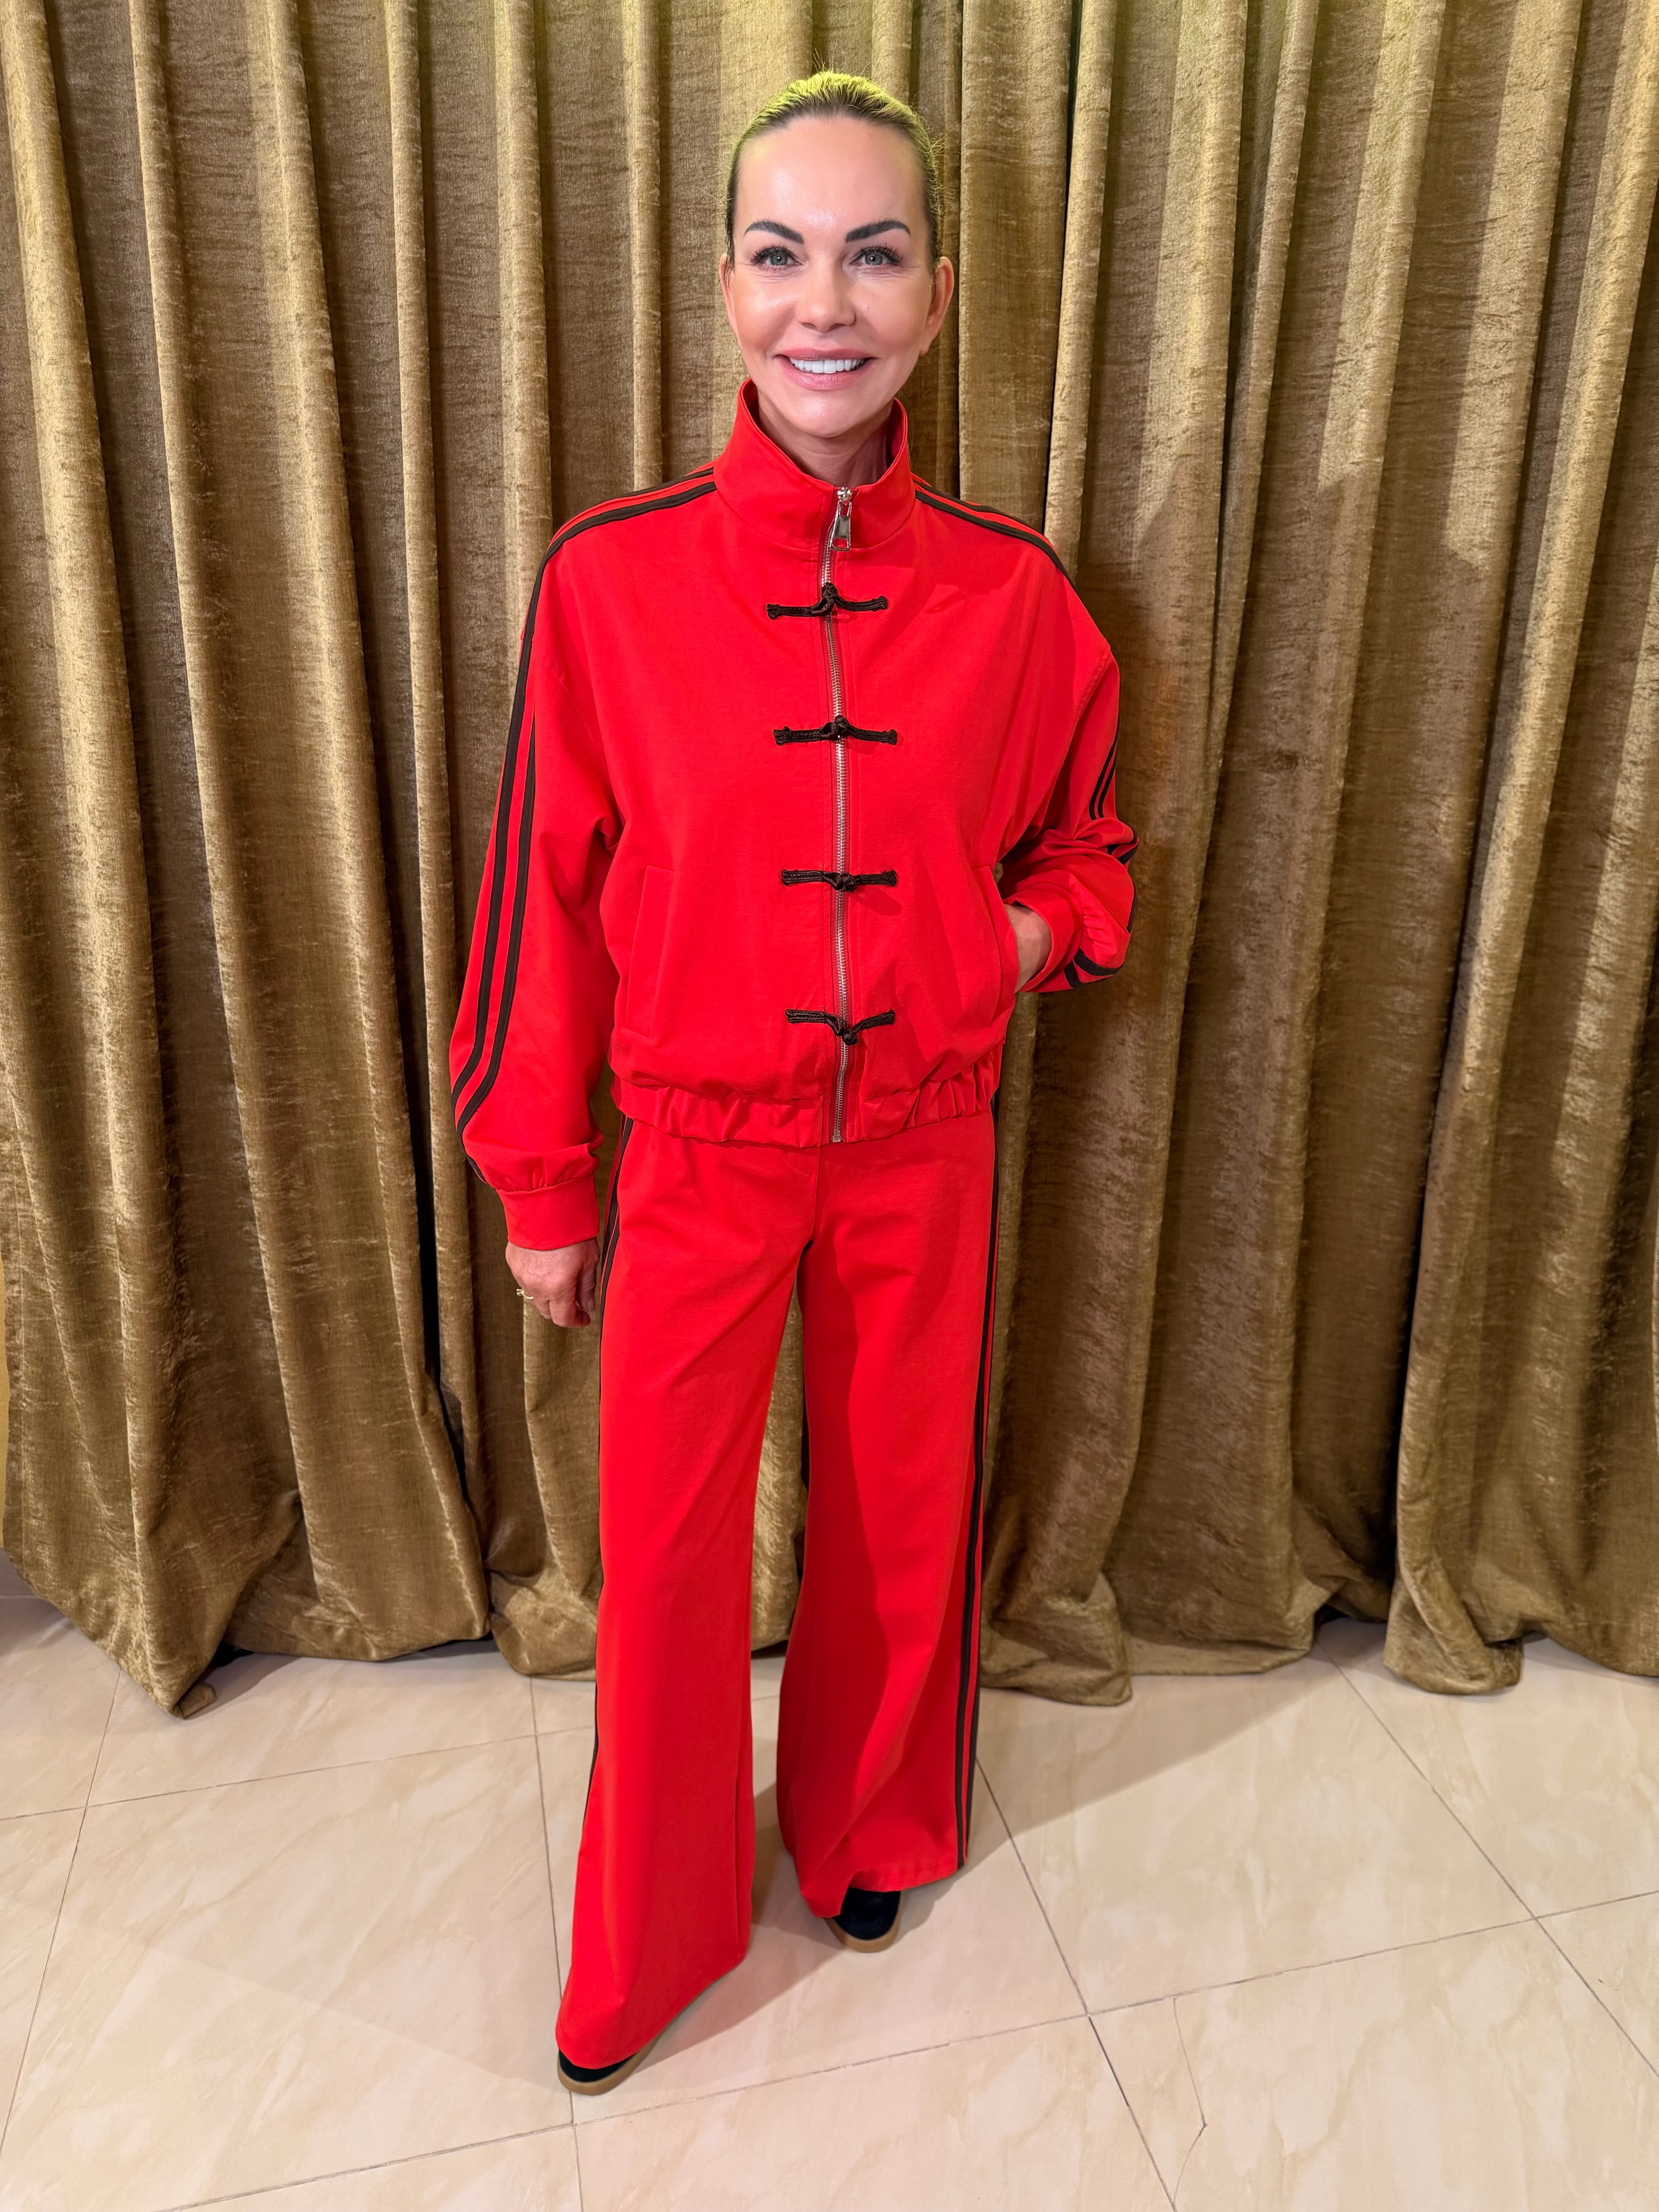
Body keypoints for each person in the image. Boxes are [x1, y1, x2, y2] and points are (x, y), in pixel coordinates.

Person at [449, 69, 1136, 2096]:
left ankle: (870, 1830)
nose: (823, 302)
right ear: (728, 285)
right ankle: (652, 1935)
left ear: (937, 293)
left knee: (903, 1517)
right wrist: (544, 1184)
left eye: (872, 253)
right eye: (780, 252)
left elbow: (1090, 855)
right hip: (694, 1154)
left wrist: (1006, 946)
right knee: (665, 1562)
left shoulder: (1019, 597)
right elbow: (537, 902)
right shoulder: (610, 579)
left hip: (925, 1146)